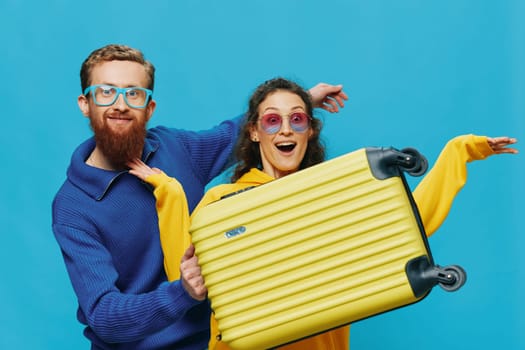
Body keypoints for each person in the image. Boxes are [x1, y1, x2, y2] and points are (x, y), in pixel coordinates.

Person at [127, 77, 518, 350]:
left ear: (310, 130)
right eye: (272, 120)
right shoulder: (223, 204)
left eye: (297, 119)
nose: (285, 130)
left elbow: (412, 222)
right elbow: (188, 276)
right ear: (253, 131)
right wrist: (170, 194)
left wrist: (459, 152)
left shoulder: (332, 200)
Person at [51, 44, 349, 350]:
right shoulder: (74, 206)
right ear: (85, 104)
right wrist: (183, 293)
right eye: (105, 92)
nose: (120, 104)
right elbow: (104, 315)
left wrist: (299, 103)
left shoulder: (174, 149)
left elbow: (235, 134)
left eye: (134, 93)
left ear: (149, 107)